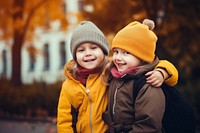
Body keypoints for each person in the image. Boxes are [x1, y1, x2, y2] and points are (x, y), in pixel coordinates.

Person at [57, 20, 178, 133]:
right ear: (74, 55)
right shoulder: (69, 84)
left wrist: (162, 72)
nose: (88, 53)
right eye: (81, 50)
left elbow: (157, 63)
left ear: (104, 51)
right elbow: (64, 120)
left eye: (93, 48)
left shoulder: (109, 70)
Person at [102, 19, 172, 133]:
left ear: (142, 57)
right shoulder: (115, 76)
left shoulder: (149, 83)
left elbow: (148, 126)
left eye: (126, 53)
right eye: (116, 51)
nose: (118, 57)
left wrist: (162, 72)